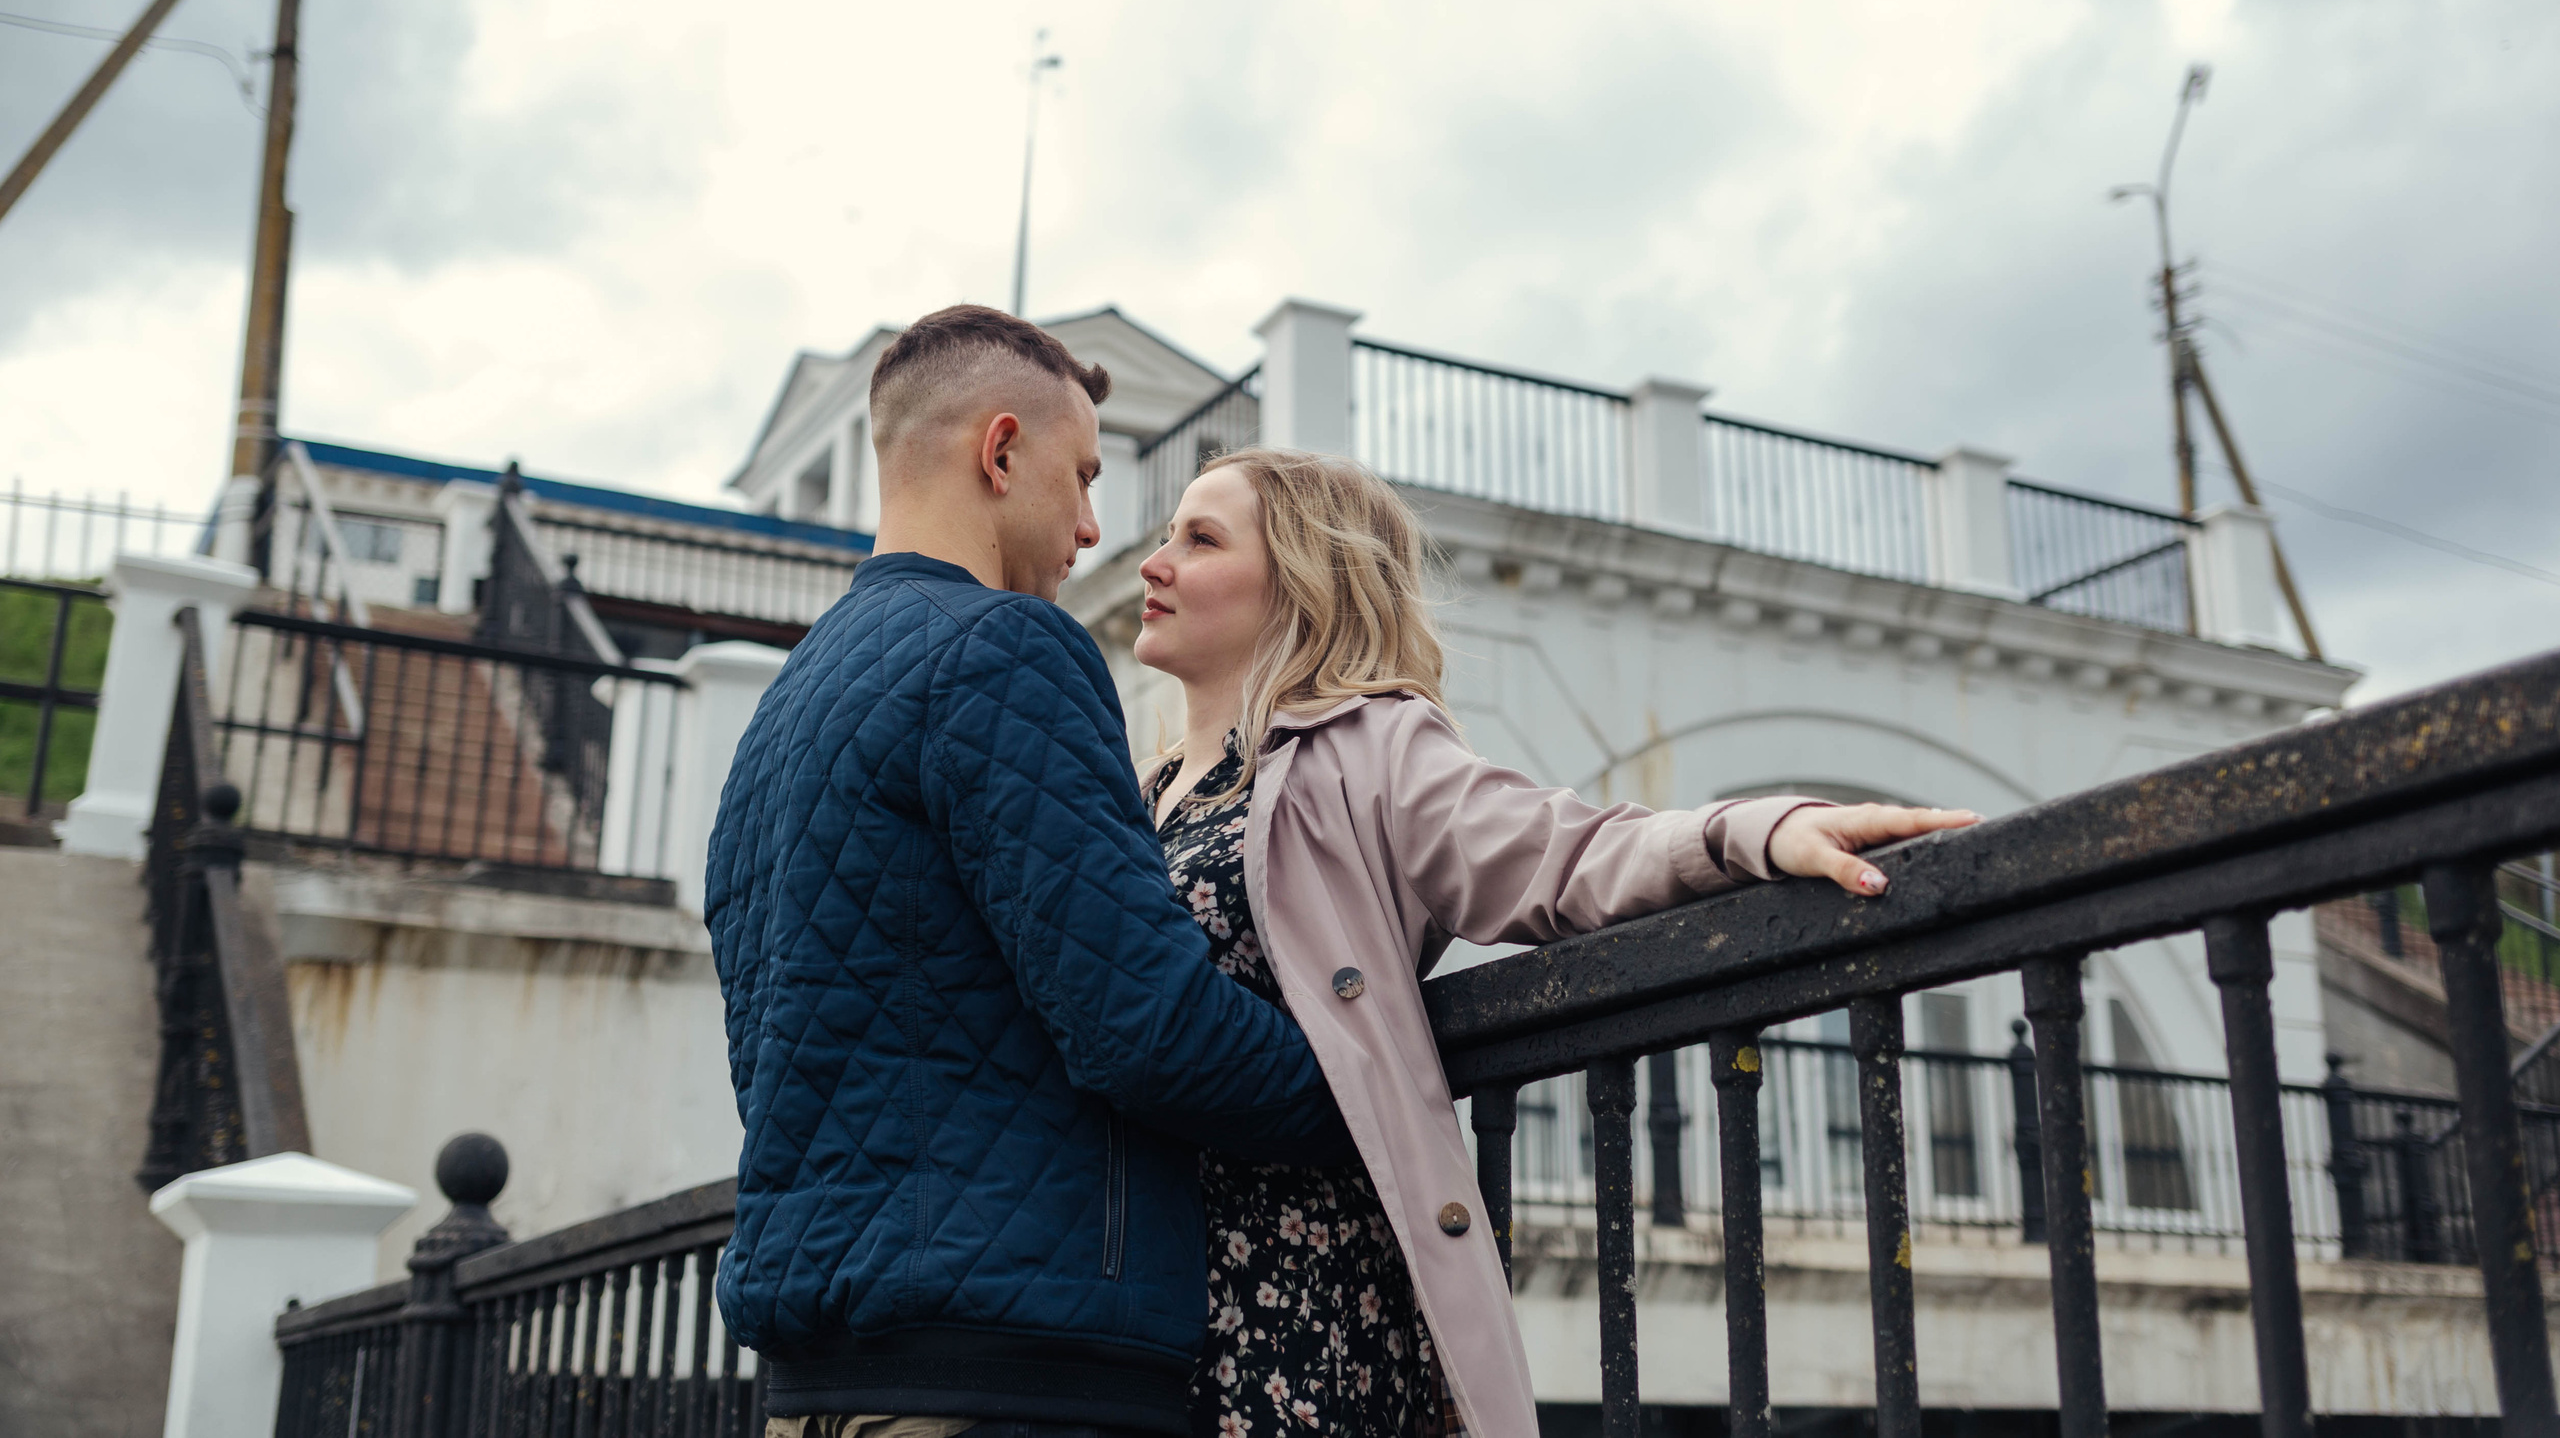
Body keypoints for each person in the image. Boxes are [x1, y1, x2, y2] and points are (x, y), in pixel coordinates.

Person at [1130, 447, 1980, 1438]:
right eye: (1165, 536)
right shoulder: (1141, 798)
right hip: (1138, 1295)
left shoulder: (1371, 747)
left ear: (1303, 583)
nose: (1155, 563)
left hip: (1293, 1295)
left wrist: (1758, 832)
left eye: (1200, 539)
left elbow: (1564, 853)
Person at [705, 309, 1356, 1438]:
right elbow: (1145, 1024)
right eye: (1083, 476)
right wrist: (1373, 1087)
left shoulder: (781, 713)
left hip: (817, 1382)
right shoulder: (1005, 648)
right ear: (1000, 453)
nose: (1094, 527)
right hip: (1008, 1370)